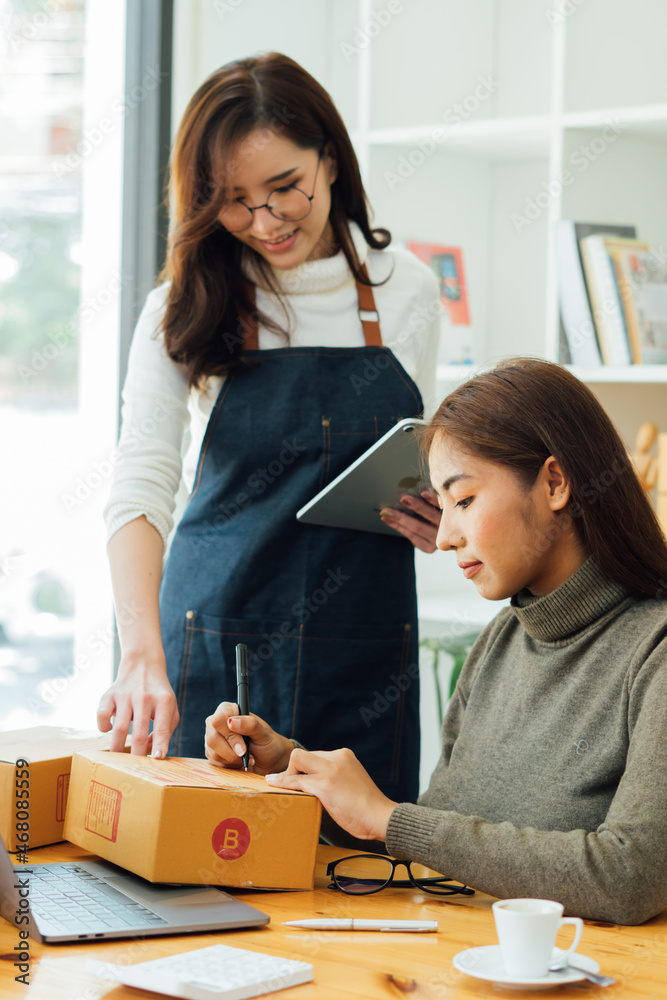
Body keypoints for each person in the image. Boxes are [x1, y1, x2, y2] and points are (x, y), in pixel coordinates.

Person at [205, 358, 667, 924]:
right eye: (442, 506)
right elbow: (440, 845)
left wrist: (390, 818)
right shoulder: (499, 643)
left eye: (464, 500)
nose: (445, 536)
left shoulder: (655, 649)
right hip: (460, 962)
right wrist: (297, 772)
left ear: (554, 482)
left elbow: (630, 878)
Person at [98, 52, 442, 806]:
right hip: (215, 648)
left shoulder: (406, 291)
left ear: (329, 158)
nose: (264, 220)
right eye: (232, 200)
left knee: (358, 878)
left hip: (364, 647)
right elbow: (140, 484)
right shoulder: (183, 304)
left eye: (285, 186)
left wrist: (437, 515)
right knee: (199, 887)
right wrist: (139, 653)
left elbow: (419, 458)